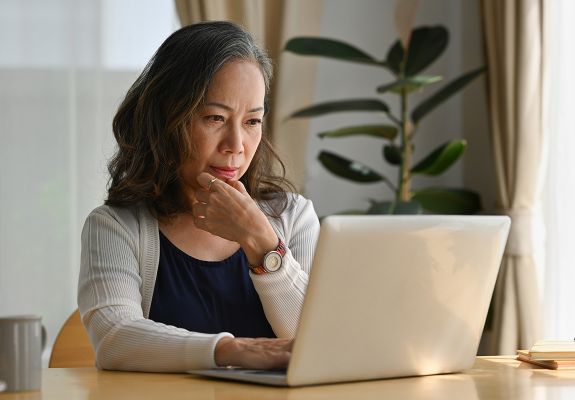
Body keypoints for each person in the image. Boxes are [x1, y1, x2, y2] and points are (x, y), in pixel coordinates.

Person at [78, 21, 320, 373]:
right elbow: (114, 338)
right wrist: (233, 350)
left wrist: (262, 242)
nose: (236, 146)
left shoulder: (293, 216)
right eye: (215, 118)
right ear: (168, 119)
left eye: (252, 121)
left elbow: (315, 341)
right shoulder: (117, 226)